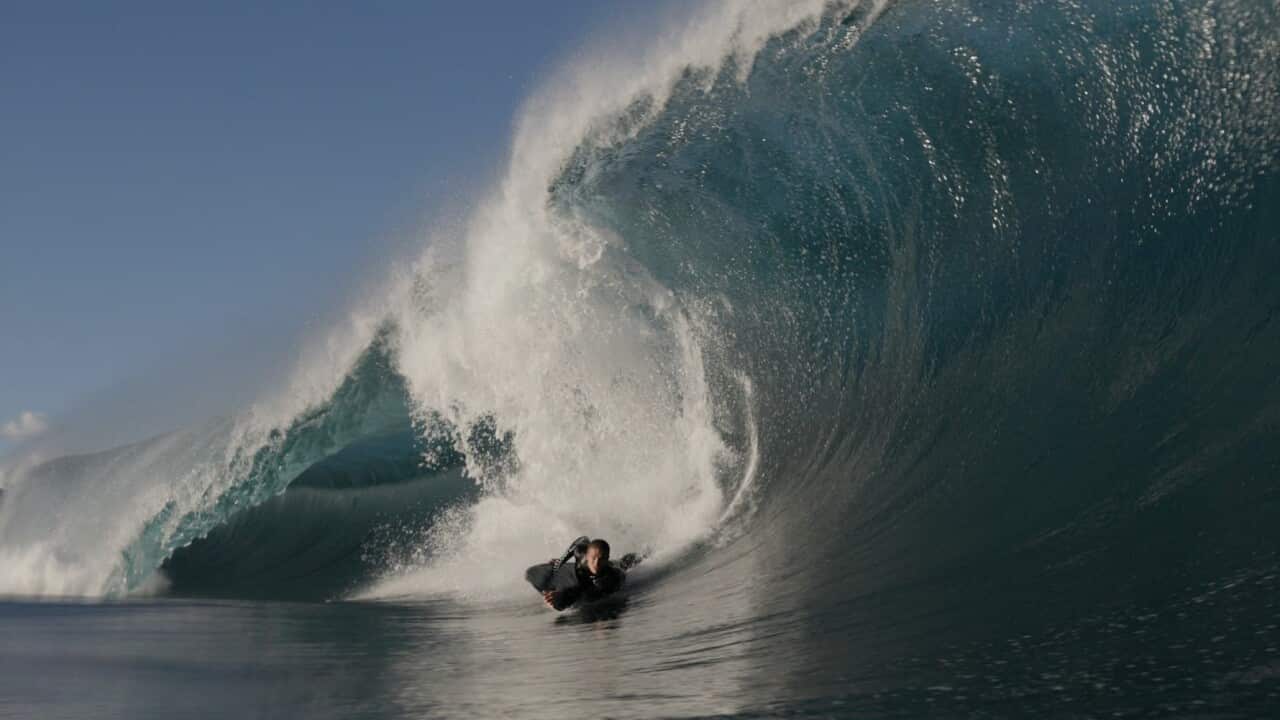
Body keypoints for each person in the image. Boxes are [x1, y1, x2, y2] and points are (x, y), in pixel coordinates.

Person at [533, 538, 625, 611]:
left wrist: (561, 596)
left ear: (607, 558)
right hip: (589, 576)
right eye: (593, 558)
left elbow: (583, 591)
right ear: (587, 556)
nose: (596, 563)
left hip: (612, 579)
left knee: (623, 563)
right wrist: (561, 561)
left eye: (601, 559)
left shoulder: (609, 577)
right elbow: (582, 540)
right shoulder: (581, 554)